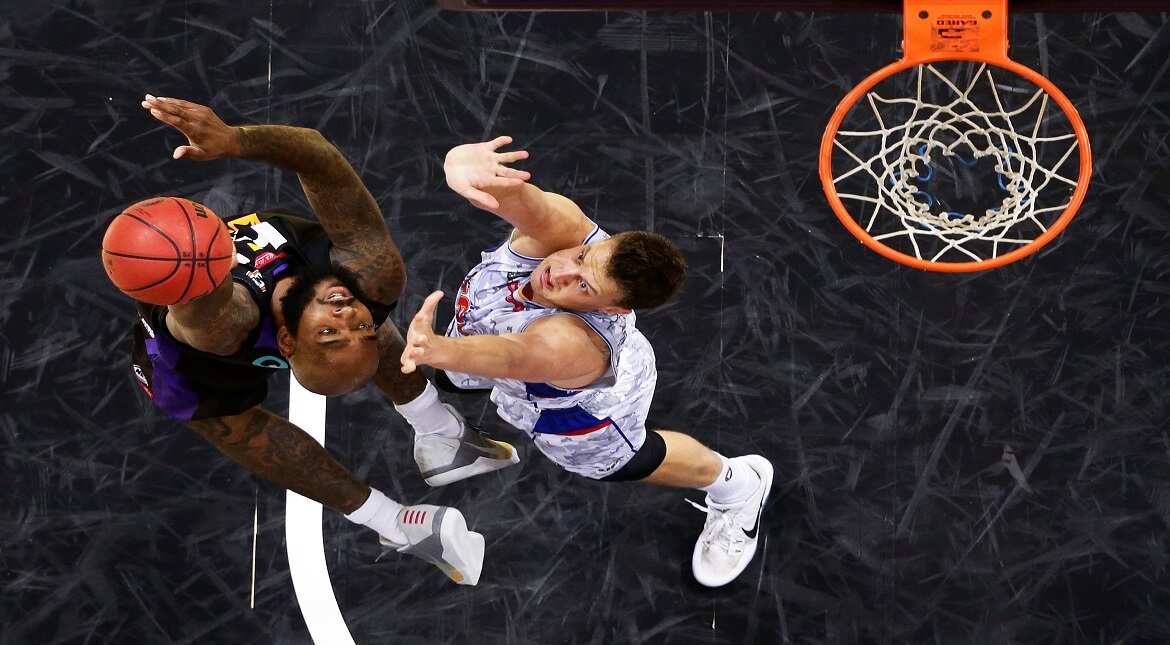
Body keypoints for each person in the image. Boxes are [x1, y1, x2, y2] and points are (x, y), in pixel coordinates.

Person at [126, 95, 518, 585]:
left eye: (330, 331)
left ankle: (417, 479)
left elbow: (168, 263)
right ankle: (416, 479)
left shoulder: (230, 322)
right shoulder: (360, 281)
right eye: (353, 324)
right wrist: (236, 140)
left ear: (287, 339)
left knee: (273, 406)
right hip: (223, 326)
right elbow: (315, 154)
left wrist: (181, 251)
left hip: (195, 323)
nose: (346, 313)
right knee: (274, 407)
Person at [399, 137, 775, 587]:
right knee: (451, 377)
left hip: (583, 410)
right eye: (581, 258)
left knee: (626, 463)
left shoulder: (572, 345)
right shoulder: (569, 233)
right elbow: (523, 200)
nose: (560, 272)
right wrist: (462, 165)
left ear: (611, 308)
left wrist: (439, 349)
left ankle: (737, 485)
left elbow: (514, 356)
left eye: (584, 286)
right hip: (494, 344)